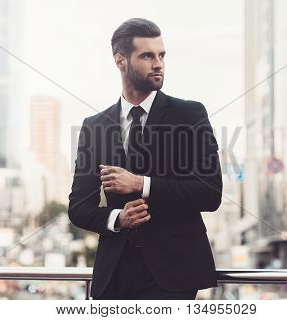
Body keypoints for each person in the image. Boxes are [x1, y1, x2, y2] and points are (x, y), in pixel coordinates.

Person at [68, 18, 222, 300]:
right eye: (147, 55)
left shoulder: (189, 115)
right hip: (113, 274)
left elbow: (210, 193)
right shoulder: (95, 126)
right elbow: (78, 207)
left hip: (173, 275)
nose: (158, 64)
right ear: (121, 61)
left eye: (161, 55)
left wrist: (141, 184)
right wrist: (118, 218)